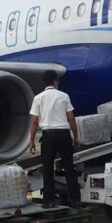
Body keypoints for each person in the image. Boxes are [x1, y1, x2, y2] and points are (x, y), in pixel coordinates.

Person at [29, 70, 82, 208]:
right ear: (55, 81)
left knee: (47, 168)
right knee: (69, 167)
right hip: (64, 134)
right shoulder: (64, 96)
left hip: (48, 135)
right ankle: (76, 199)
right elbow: (71, 118)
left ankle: (49, 200)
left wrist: (31, 141)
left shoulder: (38, 98)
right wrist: (75, 137)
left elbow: (34, 121)